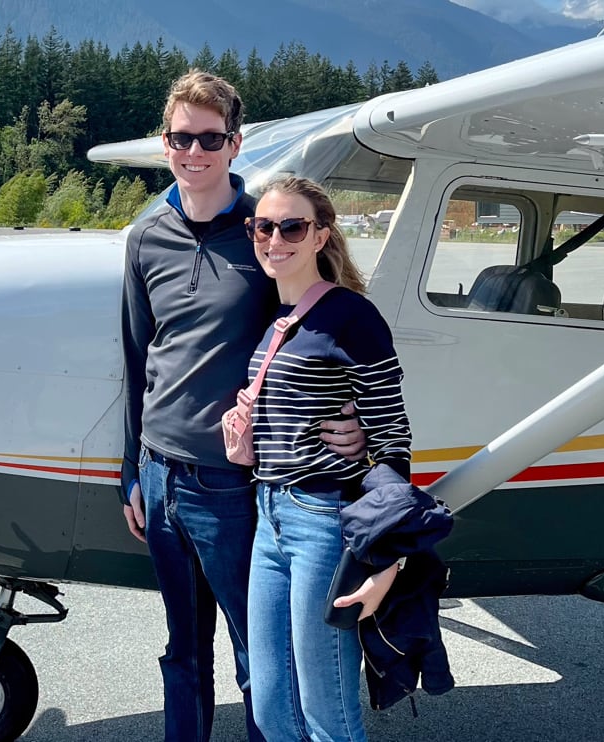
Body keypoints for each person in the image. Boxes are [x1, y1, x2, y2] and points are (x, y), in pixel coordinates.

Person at [119, 71, 366, 742]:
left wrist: (347, 418)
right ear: (164, 141)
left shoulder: (264, 232)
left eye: (209, 139)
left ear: (234, 143)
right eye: (180, 138)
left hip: (231, 485)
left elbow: (323, 324)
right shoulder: (146, 238)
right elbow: (138, 360)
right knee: (182, 654)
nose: (193, 152)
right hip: (160, 476)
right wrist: (131, 473)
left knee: (257, 659)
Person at [241, 176, 411, 742]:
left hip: (322, 522)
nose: (275, 238)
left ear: (321, 236)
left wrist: (385, 563)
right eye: (263, 226)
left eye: (292, 226)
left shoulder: (352, 317)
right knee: (270, 708)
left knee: (327, 713)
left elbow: (392, 437)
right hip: (269, 517)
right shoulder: (275, 319)